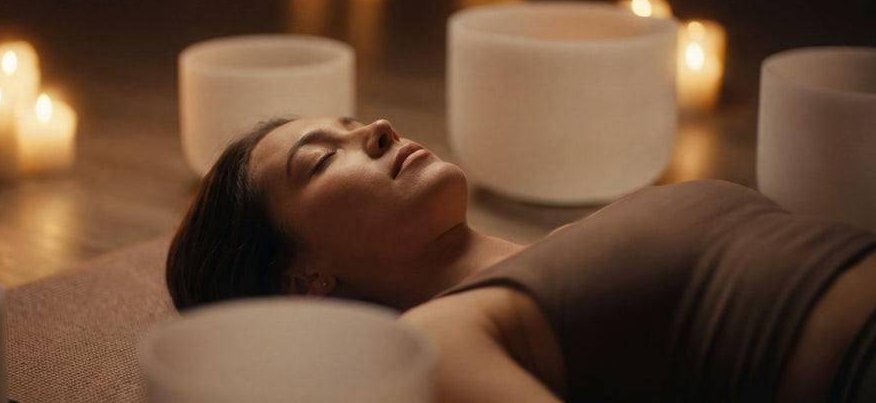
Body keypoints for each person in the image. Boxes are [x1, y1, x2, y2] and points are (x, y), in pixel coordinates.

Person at [166, 116, 876, 402]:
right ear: (303, 280)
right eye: (323, 159)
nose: (376, 128)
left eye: (356, 122)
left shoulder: (568, 249)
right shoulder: (440, 339)